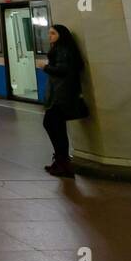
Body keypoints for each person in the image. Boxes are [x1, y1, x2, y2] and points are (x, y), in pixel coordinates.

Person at [42, 23, 89, 177]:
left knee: (51, 124)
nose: (50, 36)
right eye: (49, 33)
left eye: (53, 33)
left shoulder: (62, 50)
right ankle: (62, 161)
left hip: (61, 95)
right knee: (57, 127)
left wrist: (45, 67)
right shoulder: (63, 49)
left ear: (61, 35)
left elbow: (63, 70)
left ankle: (63, 162)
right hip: (62, 93)